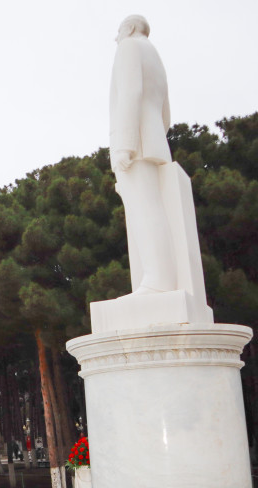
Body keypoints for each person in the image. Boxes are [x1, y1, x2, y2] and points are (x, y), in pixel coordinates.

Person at [109, 14, 176, 295]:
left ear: (132, 27)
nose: (116, 37)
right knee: (149, 207)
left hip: (135, 141)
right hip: (153, 138)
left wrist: (125, 143)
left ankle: (157, 281)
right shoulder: (154, 56)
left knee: (144, 210)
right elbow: (166, 114)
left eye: (119, 30)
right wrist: (154, 136)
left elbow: (129, 92)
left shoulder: (129, 47)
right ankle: (159, 278)